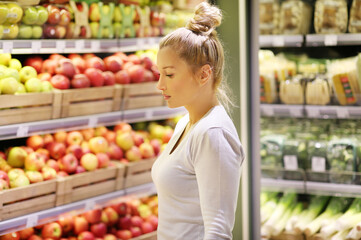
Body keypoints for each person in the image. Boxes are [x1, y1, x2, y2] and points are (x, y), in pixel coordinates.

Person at [151, 2, 245, 240]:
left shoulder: (212, 133)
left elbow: (217, 231)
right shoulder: (186, 123)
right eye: (159, 74)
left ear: (204, 74)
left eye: (170, 74)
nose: (160, 84)